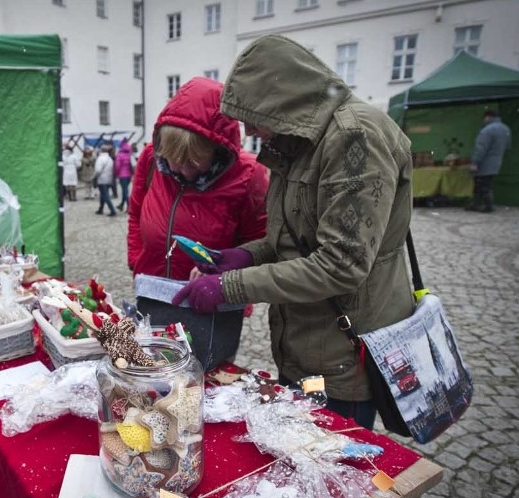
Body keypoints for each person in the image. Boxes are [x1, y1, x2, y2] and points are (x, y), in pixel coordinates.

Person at [173, 35, 414, 430]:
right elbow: (291, 239)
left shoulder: (355, 137)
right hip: (303, 345)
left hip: (343, 352)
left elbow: (340, 265)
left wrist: (230, 286)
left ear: (282, 101)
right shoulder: (300, 143)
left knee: (332, 459)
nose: (248, 127)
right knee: (298, 444)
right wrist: (247, 254)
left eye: (252, 114)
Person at [128, 77, 268, 370]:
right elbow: (136, 211)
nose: (180, 170)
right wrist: (136, 261)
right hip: (152, 293)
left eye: (192, 162)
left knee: (200, 378)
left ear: (216, 151)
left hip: (210, 304)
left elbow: (261, 243)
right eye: (174, 160)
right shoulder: (152, 160)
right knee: (149, 371)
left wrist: (231, 281)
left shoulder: (249, 176)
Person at [466, 109, 511, 212]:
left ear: (487, 117)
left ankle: (488, 206)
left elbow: (481, 148)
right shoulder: (506, 129)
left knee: (482, 184)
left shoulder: (487, 130)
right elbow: (508, 146)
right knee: (485, 184)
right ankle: (476, 204)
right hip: (497, 161)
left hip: (484, 163)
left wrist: (474, 162)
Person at [94, 144, 117, 216]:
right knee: (103, 194)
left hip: (102, 179)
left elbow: (98, 170)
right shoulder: (109, 158)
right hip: (109, 178)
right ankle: (101, 208)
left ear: (101, 150)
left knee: (105, 195)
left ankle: (112, 210)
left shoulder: (100, 158)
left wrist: (95, 176)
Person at [114, 137, 134, 211]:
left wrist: (116, 173)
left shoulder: (120, 154)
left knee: (125, 190)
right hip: (129, 174)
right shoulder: (129, 153)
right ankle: (122, 205)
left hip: (122, 175)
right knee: (124, 190)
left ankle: (129, 206)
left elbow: (117, 166)